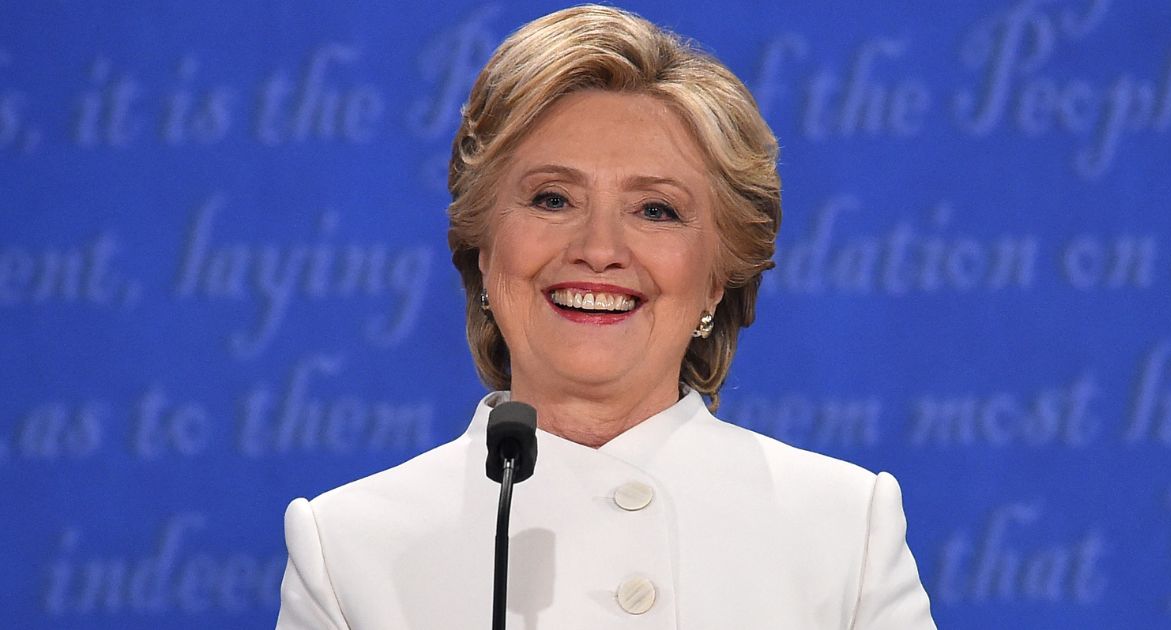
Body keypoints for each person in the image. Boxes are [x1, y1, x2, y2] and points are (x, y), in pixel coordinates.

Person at [276, 5, 937, 629]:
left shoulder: (845, 529)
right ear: (483, 249)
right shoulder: (347, 549)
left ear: (717, 278)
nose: (597, 250)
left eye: (656, 210)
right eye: (552, 198)